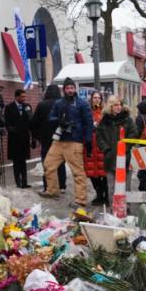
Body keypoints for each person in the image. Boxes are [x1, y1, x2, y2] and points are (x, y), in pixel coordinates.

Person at [39, 78, 93, 207]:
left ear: (75, 89)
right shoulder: (58, 103)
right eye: (67, 88)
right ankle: (52, 190)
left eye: (72, 88)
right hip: (59, 141)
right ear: (64, 90)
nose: (70, 90)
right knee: (48, 165)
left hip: (74, 141)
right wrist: (59, 121)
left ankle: (80, 200)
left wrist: (88, 140)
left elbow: (89, 123)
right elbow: (50, 118)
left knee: (78, 172)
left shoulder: (82, 103)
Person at [96, 95, 137, 194]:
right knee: (112, 188)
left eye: (120, 105)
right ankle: (112, 204)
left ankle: (126, 204)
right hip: (110, 159)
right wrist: (106, 149)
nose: (118, 107)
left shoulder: (127, 120)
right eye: (116, 105)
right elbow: (99, 137)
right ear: (110, 106)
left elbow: (133, 134)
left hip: (125, 159)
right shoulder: (104, 121)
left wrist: (125, 148)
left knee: (125, 188)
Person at [30, 84, 67, 193]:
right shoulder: (63, 104)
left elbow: (33, 123)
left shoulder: (42, 105)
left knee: (47, 163)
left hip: (45, 138)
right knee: (60, 163)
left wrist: (37, 136)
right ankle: (62, 185)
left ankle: (48, 186)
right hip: (60, 138)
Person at [4, 88, 34, 188]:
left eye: (25, 96)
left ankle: (24, 182)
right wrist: (12, 129)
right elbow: (7, 123)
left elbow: (30, 122)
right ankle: (18, 182)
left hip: (24, 138)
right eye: (22, 97)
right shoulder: (9, 107)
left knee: (23, 161)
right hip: (14, 139)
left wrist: (33, 137)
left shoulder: (27, 107)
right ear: (16, 97)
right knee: (16, 162)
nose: (24, 98)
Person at [84, 91, 109, 205]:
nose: (97, 100)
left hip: (101, 146)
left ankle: (106, 196)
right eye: (94, 97)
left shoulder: (105, 113)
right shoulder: (87, 112)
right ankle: (99, 195)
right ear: (91, 99)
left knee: (103, 173)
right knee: (92, 173)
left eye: (99, 98)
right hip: (89, 146)